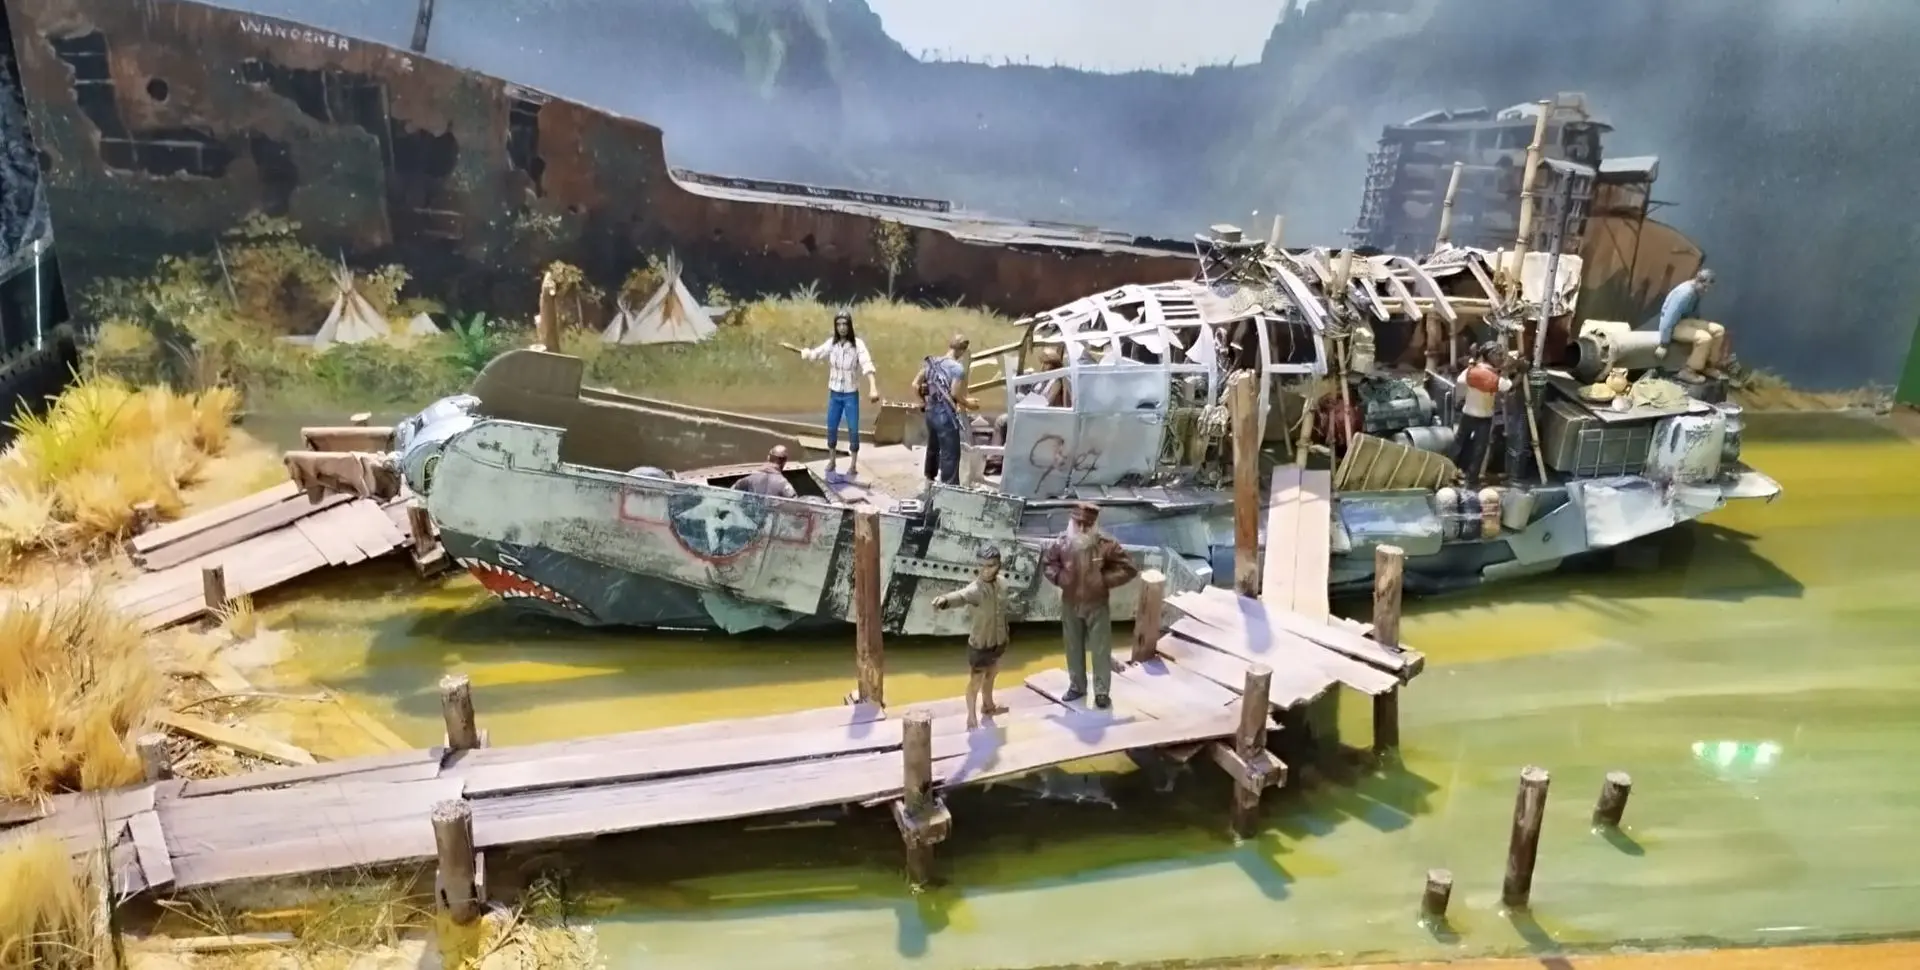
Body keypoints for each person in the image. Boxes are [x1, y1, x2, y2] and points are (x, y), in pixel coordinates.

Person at [1039, 503, 1139, 709]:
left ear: (1094, 525)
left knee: (1101, 650)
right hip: (1070, 603)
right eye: (1079, 524)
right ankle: (1077, 686)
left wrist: (1104, 580)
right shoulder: (1061, 544)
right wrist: (1060, 578)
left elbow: (1129, 568)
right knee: (1073, 646)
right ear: (1072, 522)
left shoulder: (1106, 545)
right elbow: (1048, 564)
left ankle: (1102, 692)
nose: (1082, 529)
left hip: (1097, 604)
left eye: (1087, 525)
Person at [782, 309, 879, 480]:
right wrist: (802, 352)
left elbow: (867, 365)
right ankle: (832, 460)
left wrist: (873, 387)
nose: (842, 327)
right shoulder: (832, 344)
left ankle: (853, 464)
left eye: (845, 324)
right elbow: (816, 354)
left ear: (849, 325)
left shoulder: (857, 345)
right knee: (831, 427)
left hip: (850, 394)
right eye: (838, 324)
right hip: (835, 393)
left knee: (853, 428)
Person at [931, 546, 1013, 729]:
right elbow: (961, 596)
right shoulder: (976, 589)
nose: (985, 570)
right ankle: (971, 716)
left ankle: (988, 706)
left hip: (998, 641)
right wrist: (944, 600)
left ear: (998, 565)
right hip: (980, 644)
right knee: (975, 681)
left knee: (992, 674)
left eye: (991, 565)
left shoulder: (1003, 584)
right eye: (982, 565)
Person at [1649, 268, 1727, 384]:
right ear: (1698, 281)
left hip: (1686, 321)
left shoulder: (1697, 291)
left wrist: (1698, 325)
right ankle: (1688, 371)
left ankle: (1707, 365)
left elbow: (1694, 312)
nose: (1706, 291)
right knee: (1704, 338)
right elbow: (1668, 318)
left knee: (1719, 330)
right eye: (1705, 287)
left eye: (1708, 288)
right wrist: (1664, 343)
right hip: (1674, 325)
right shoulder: (1684, 294)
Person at [912, 333, 971, 485]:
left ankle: (929, 477)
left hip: (931, 412)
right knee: (951, 453)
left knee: (933, 446)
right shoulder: (957, 368)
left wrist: (922, 401)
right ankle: (949, 485)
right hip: (946, 416)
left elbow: (915, 384)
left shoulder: (932, 363)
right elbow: (955, 393)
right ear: (962, 350)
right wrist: (968, 403)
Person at [1453, 343, 1513, 487]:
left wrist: (1472, 365)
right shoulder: (1491, 376)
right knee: (1478, 450)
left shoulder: (1473, 370)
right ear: (1490, 355)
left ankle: (1451, 471)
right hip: (1484, 418)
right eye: (1499, 355)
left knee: (1459, 444)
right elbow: (1507, 386)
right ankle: (1471, 480)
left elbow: (1460, 380)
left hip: (1467, 413)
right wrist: (1516, 372)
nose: (1501, 358)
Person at [731, 445, 798, 499]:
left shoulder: (749, 479)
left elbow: (730, 493)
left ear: (768, 458)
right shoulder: (783, 484)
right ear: (784, 462)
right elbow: (796, 504)